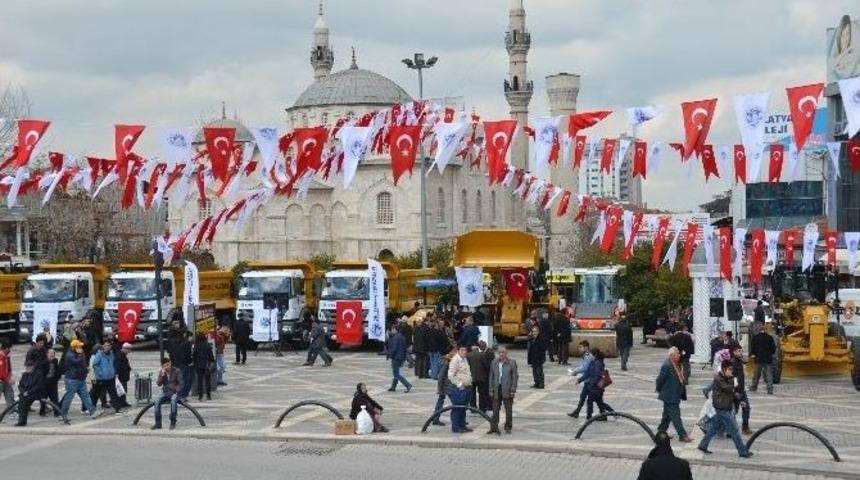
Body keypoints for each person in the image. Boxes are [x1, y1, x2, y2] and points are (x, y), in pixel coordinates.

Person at [697, 361, 753, 458]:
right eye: (729, 370)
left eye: (732, 369)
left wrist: (740, 400)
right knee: (734, 430)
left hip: (725, 407)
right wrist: (732, 379)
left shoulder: (727, 378)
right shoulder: (719, 379)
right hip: (721, 408)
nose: (731, 371)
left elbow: (732, 392)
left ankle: (703, 445)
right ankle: (743, 451)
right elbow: (728, 389)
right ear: (723, 370)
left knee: (713, 428)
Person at [655, 347, 693, 442]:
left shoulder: (675, 364)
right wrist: (660, 390)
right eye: (677, 354)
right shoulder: (667, 365)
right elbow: (660, 379)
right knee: (676, 416)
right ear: (672, 355)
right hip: (670, 395)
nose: (679, 355)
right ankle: (682, 435)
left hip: (674, 394)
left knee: (667, 416)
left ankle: (661, 432)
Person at [59, 339, 97, 419]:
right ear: (74, 347)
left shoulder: (79, 354)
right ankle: (63, 414)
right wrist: (80, 355)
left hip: (80, 378)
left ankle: (92, 411)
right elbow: (77, 362)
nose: (81, 348)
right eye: (79, 346)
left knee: (85, 396)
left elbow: (82, 364)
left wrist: (86, 370)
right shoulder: (69, 355)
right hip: (72, 379)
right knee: (69, 397)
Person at [487, 345, 518, 434]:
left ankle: (508, 426)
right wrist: (491, 389)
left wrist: (513, 389)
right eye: (499, 352)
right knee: (495, 409)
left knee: (508, 410)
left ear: (506, 353)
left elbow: (515, 377)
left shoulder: (512, 363)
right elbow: (491, 377)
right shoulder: (494, 362)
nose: (501, 354)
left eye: (503, 352)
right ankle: (494, 426)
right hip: (497, 388)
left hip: (507, 389)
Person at [579, 347, 614, 419]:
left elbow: (597, 375)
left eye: (590, 354)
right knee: (600, 403)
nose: (589, 356)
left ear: (594, 355)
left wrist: (592, 384)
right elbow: (587, 373)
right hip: (595, 387)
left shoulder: (598, 363)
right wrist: (580, 380)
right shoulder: (593, 362)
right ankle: (606, 416)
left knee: (590, 401)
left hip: (596, 387)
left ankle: (589, 417)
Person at [90, 339, 123, 414]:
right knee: (96, 393)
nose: (107, 347)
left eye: (109, 346)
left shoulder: (112, 354)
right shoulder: (99, 354)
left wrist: (113, 372)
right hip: (101, 378)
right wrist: (100, 373)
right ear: (103, 346)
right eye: (105, 345)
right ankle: (92, 408)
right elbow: (95, 364)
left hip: (110, 378)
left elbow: (113, 363)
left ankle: (117, 408)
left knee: (113, 393)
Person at [447, 344, 472, 433]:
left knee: (463, 408)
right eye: (462, 350)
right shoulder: (455, 360)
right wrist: (459, 384)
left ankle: (462, 425)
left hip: (467, 388)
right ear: (458, 351)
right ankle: (456, 427)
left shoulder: (464, 359)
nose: (464, 352)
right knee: (457, 408)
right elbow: (450, 375)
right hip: (459, 389)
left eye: (465, 350)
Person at [152, 357, 182, 430]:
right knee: (157, 401)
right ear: (162, 366)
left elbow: (180, 383)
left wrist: (176, 392)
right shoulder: (162, 372)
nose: (167, 367)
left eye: (168, 365)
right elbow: (158, 384)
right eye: (165, 366)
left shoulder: (177, 371)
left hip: (175, 392)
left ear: (170, 363)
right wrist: (162, 376)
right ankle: (158, 423)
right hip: (166, 392)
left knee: (173, 401)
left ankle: (173, 422)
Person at [14, 361, 45, 427]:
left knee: (24, 402)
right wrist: (23, 392)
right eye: (26, 367)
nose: (27, 368)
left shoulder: (38, 374)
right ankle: (22, 420)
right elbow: (20, 385)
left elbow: (39, 386)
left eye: (29, 367)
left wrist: (28, 392)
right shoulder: (24, 374)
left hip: (35, 393)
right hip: (25, 393)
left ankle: (22, 421)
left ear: (33, 367)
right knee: (22, 402)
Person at [567, 340, 593, 418]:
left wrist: (575, 371)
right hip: (587, 380)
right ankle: (577, 412)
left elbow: (585, 368)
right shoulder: (585, 355)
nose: (579, 349)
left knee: (596, 400)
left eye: (581, 347)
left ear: (586, 348)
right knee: (583, 397)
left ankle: (591, 415)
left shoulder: (588, 356)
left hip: (591, 381)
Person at [730, 344, 752, 435]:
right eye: (738, 351)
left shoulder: (739, 361)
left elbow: (746, 361)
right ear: (734, 352)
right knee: (734, 411)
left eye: (741, 351)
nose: (740, 353)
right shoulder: (733, 363)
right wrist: (735, 391)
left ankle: (745, 427)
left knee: (745, 408)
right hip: (736, 391)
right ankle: (729, 429)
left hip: (741, 390)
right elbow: (732, 378)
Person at [467, 340, 493, 412]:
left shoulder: (468, 355)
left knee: (472, 393)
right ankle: (482, 408)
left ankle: (473, 408)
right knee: (482, 393)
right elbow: (486, 366)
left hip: (471, 377)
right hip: (481, 377)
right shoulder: (482, 355)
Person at [386, 324, 412, 393]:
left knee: (396, 374)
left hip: (396, 357)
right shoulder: (402, 337)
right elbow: (404, 349)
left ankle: (407, 385)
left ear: (395, 330)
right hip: (401, 357)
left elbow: (394, 349)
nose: (391, 331)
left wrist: (389, 355)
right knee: (396, 373)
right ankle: (393, 387)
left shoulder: (395, 338)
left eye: (392, 329)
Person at [750, 325, 776, 394]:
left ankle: (754, 387)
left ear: (759, 330)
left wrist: (753, 354)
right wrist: (770, 353)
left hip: (758, 358)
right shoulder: (770, 337)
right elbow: (773, 348)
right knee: (769, 375)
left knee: (756, 374)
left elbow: (753, 347)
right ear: (766, 330)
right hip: (768, 359)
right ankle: (770, 389)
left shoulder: (755, 337)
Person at [431, 349, 454, 427]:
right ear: (449, 352)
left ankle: (435, 418)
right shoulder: (446, 363)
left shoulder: (444, 361)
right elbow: (441, 376)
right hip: (446, 386)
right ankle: (457, 420)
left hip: (445, 385)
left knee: (440, 402)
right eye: (453, 351)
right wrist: (439, 388)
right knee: (456, 402)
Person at [171, 331, 194, 398]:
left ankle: (181, 394)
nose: (191, 338)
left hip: (180, 363)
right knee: (186, 380)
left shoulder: (180, 343)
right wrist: (190, 362)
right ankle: (182, 395)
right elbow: (188, 355)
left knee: (182, 379)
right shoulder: (187, 344)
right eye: (191, 336)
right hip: (185, 364)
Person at [192, 334, 214, 401]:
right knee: (207, 380)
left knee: (200, 380)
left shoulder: (196, 346)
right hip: (206, 365)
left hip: (198, 365)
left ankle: (200, 396)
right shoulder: (207, 345)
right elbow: (211, 356)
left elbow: (194, 356)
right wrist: (211, 362)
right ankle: (208, 395)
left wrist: (195, 364)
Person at [39, 349, 61, 416]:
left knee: (55, 398)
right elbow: (41, 374)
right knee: (43, 398)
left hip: (53, 383)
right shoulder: (43, 363)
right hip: (45, 384)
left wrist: (56, 379)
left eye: (53, 353)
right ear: (47, 354)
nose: (52, 354)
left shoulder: (55, 361)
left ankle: (56, 413)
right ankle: (42, 412)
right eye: (50, 353)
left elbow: (58, 371)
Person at [526, 325, 546, 389]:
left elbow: (543, 348)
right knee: (534, 372)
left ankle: (541, 384)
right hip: (533, 358)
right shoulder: (532, 339)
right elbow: (529, 346)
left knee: (539, 371)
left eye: (535, 331)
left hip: (539, 358)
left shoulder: (541, 339)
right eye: (533, 331)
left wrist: (541, 357)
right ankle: (536, 383)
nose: (534, 333)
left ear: (538, 332)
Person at [115, 343, 133, 408]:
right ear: (125, 349)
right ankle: (120, 402)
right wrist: (116, 374)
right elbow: (117, 365)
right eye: (129, 350)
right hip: (121, 376)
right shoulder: (119, 355)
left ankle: (123, 402)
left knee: (124, 390)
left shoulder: (123, 355)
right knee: (121, 390)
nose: (129, 352)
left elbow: (125, 364)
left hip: (124, 376)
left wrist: (129, 368)